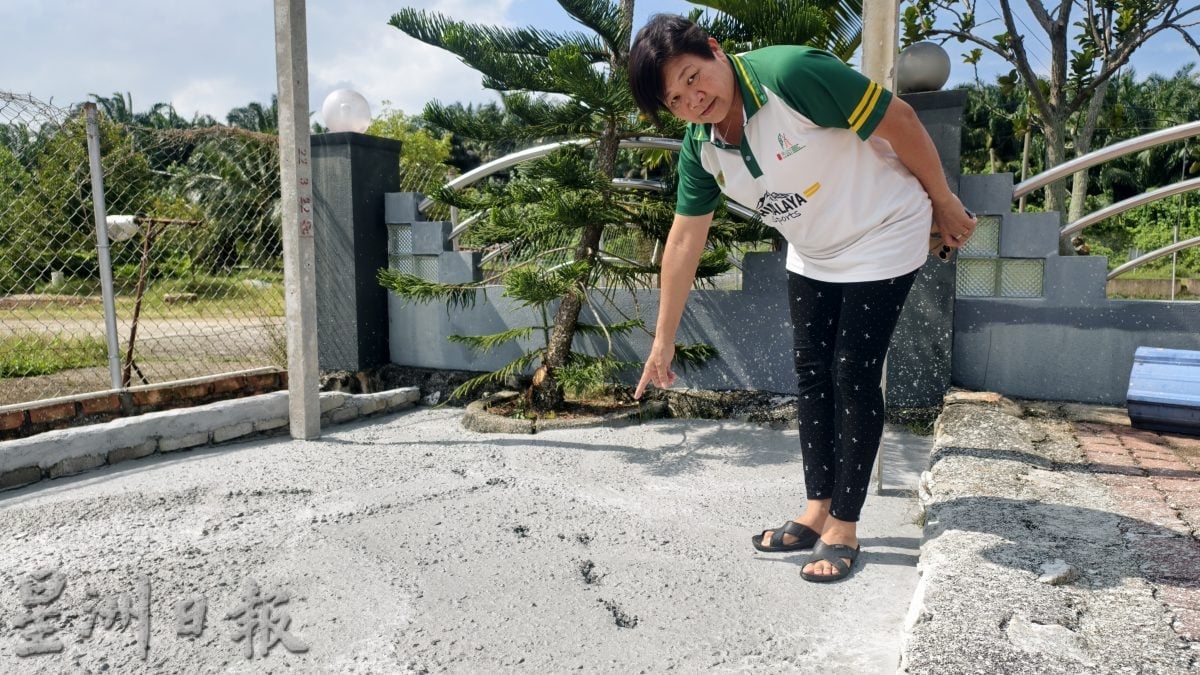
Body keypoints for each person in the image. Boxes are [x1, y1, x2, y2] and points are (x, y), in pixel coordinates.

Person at [627, 14, 976, 582]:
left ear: (716, 50)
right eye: (676, 98)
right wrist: (662, 339)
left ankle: (844, 523)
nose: (694, 99)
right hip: (814, 247)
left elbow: (902, 120)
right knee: (811, 372)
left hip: (883, 228)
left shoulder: (791, 75)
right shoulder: (704, 148)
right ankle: (816, 508)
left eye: (695, 77)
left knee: (852, 372)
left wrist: (943, 201)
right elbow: (685, 239)